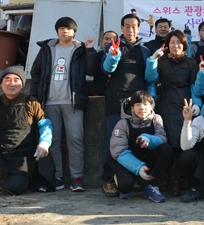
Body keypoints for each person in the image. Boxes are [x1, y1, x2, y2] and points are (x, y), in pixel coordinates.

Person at [30, 16, 88, 192]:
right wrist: (34, 96)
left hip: (72, 102)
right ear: (57, 31)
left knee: (75, 139)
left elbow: (92, 70)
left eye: (69, 29)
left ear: (74, 32)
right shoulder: (47, 48)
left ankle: (77, 177)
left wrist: (91, 50)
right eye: (62, 28)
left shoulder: (80, 49)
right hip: (49, 102)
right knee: (52, 141)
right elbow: (36, 72)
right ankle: (57, 177)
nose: (65, 31)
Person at [101, 14, 153, 197]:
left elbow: (149, 77)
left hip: (138, 104)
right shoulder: (112, 46)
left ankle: (135, 178)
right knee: (112, 141)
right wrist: (113, 56)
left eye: (134, 27)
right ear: (121, 28)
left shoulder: (145, 50)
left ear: (139, 29)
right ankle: (108, 180)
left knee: (137, 143)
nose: (131, 30)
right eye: (127, 26)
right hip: (115, 100)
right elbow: (107, 70)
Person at [145, 29, 202, 196]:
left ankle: (177, 180)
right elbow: (150, 79)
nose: (175, 46)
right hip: (166, 103)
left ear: (184, 44)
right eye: (172, 43)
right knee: (167, 141)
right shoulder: (162, 61)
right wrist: (153, 60)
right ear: (167, 45)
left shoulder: (191, 62)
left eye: (179, 42)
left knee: (182, 143)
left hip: (185, 103)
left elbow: (195, 87)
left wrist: (197, 104)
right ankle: (162, 178)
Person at [109, 90, 172, 202]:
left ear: (151, 106)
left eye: (145, 104)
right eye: (137, 105)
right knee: (125, 189)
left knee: (166, 149)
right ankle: (122, 181)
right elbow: (118, 151)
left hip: (146, 158)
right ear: (132, 108)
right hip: (126, 162)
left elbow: (162, 139)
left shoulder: (156, 119)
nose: (142, 108)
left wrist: (149, 139)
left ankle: (152, 186)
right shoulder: (123, 124)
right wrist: (138, 168)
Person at [0, 66, 55, 195]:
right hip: (1, 150)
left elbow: (45, 124)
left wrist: (44, 144)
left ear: (22, 84)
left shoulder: (31, 102)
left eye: (16, 80)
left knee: (12, 188)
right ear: (1, 83)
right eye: (7, 79)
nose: (12, 84)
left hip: (22, 155)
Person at [85, 30, 118, 96]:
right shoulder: (98, 55)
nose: (109, 42)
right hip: (98, 88)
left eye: (112, 39)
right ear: (102, 40)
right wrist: (89, 49)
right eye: (106, 39)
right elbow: (91, 71)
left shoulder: (120, 55)